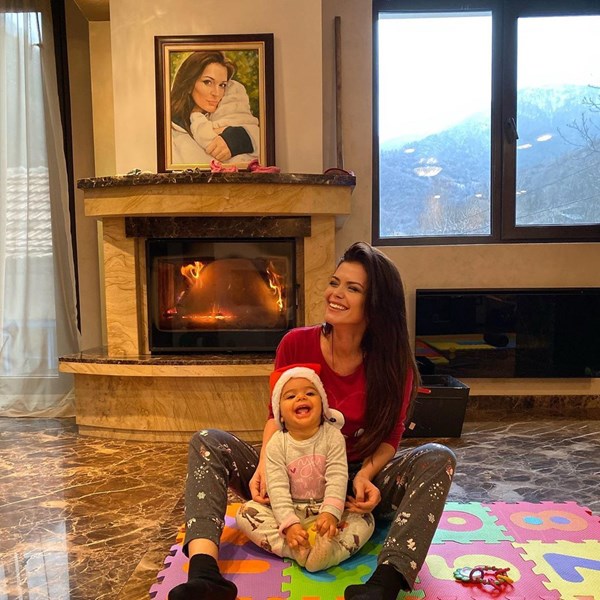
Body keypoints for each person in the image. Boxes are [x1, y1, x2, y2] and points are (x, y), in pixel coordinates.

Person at [168, 241, 457, 600]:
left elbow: (391, 436)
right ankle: (205, 574)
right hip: (287, 471)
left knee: (439, 457)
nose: (336, 294)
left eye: (352, 288)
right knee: (207, 440)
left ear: (377, 305)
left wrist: (365, 476)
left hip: (353, 484)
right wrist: (264, 465)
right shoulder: (296, 343)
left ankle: (386, 583)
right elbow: (275, 416)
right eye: (335, 282)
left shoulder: (395, 365)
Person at [235, 363, 375, 572]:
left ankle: (330, 552)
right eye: (290, 396)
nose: (301, 397)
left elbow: (337, 477)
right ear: (280, 414)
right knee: (245, 513)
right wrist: (290, 525)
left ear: (323, 405)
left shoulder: (333, 436)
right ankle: (294, 548)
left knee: (366, 519)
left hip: (326, 508)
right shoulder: (276, 443)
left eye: (310, 393)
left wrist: (330, 514)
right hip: (290, 510)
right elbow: (277, 489)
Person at [170, 50, 259, 166]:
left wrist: (240, 138)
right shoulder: (172, 133)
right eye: (208, 82)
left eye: (222, 85)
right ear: (189, 85)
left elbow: (262, 138)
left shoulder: (226, 110)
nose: (216, 93)